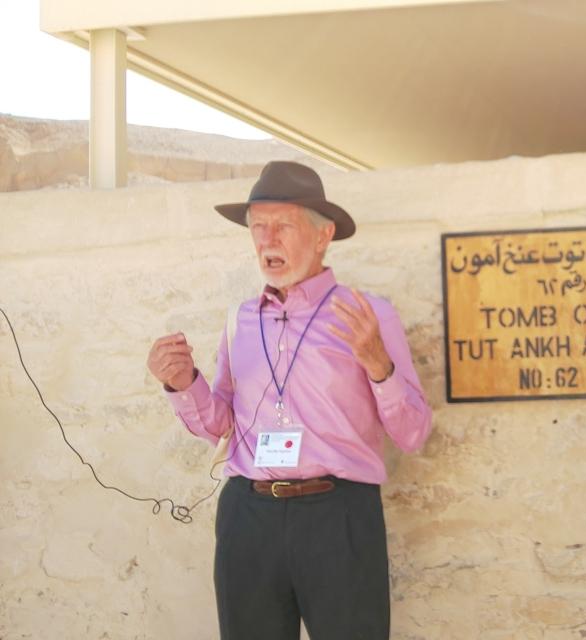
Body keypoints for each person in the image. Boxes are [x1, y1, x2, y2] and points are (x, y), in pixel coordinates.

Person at [145, 161, 432, 640]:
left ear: (324, 235)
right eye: (258, 227)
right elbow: (222, 425)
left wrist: (379, 365)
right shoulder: (239, 321)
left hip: (339, 516)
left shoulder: (369, 315)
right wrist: (182, 383)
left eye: (283, 225)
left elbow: (414, 433)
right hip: (248, 516)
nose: (267, 239)